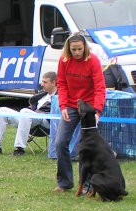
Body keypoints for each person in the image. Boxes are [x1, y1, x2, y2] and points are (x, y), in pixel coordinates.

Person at [54, 32, 106, 192]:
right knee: (60, 142)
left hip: (89, 107)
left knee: (87, 147)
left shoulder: (93, 61)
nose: (77, 53)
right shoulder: (64, 60)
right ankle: (65, 182)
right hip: (70, 105)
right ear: (68, 48)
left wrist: (97, 111)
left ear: (85, 47)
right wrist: (63, 106)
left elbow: (100, 87)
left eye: (79, 49)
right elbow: (61, 84)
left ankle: (87, 185)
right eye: (74, 49)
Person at [0, 72, 58, 156]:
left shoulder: (59, 96)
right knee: (2, 110)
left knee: (25, 112)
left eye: (45, 82)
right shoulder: (42, 94)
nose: (42, 84)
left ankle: (19, 149)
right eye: (42, 81)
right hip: (31, 118)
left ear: (54, 83)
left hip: (47, 121)